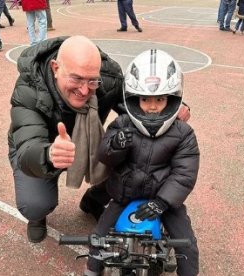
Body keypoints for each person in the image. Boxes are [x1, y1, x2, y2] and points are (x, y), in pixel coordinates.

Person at [8, 36, 191, 244]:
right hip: (42, 149)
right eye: (76, 79)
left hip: (88, 144)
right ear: (55, 68)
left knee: (129, 150)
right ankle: (37, 218)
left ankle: (94, 200)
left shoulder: (108, 76)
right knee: (35, 204)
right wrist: (48, 154)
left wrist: (173, 109)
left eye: (91, 81)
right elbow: (27, 146)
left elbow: (137, 106)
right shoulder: (29, 88)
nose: (85, 90)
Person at [85, 49, 200, 276]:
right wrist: (116, 146)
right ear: (134, 98)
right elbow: (104, 157)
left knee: (186, 243)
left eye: (160, 99)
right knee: (98, 237)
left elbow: (184, 174)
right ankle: (91, 270)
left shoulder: (183, 133)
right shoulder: (121, 123)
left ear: (173, 98)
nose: (153, 106)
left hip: (163, 200)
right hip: (124, 193)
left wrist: (163, 202)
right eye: (145, 99)